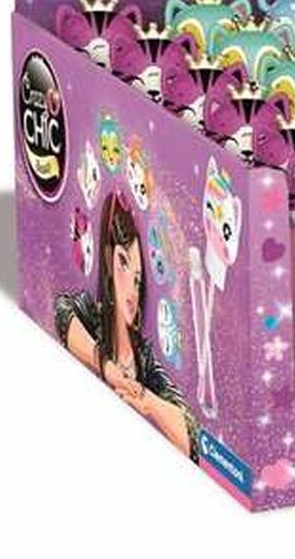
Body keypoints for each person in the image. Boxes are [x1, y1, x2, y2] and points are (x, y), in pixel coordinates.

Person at [55, 190, 197, 461]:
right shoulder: (92, 315)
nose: (132, 291)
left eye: (138, 279)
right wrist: (107, 367)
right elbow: (62, 311)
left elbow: (191, 434)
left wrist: (150, 402)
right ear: (108, 261)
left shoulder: (144, 358)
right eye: (123, 263)